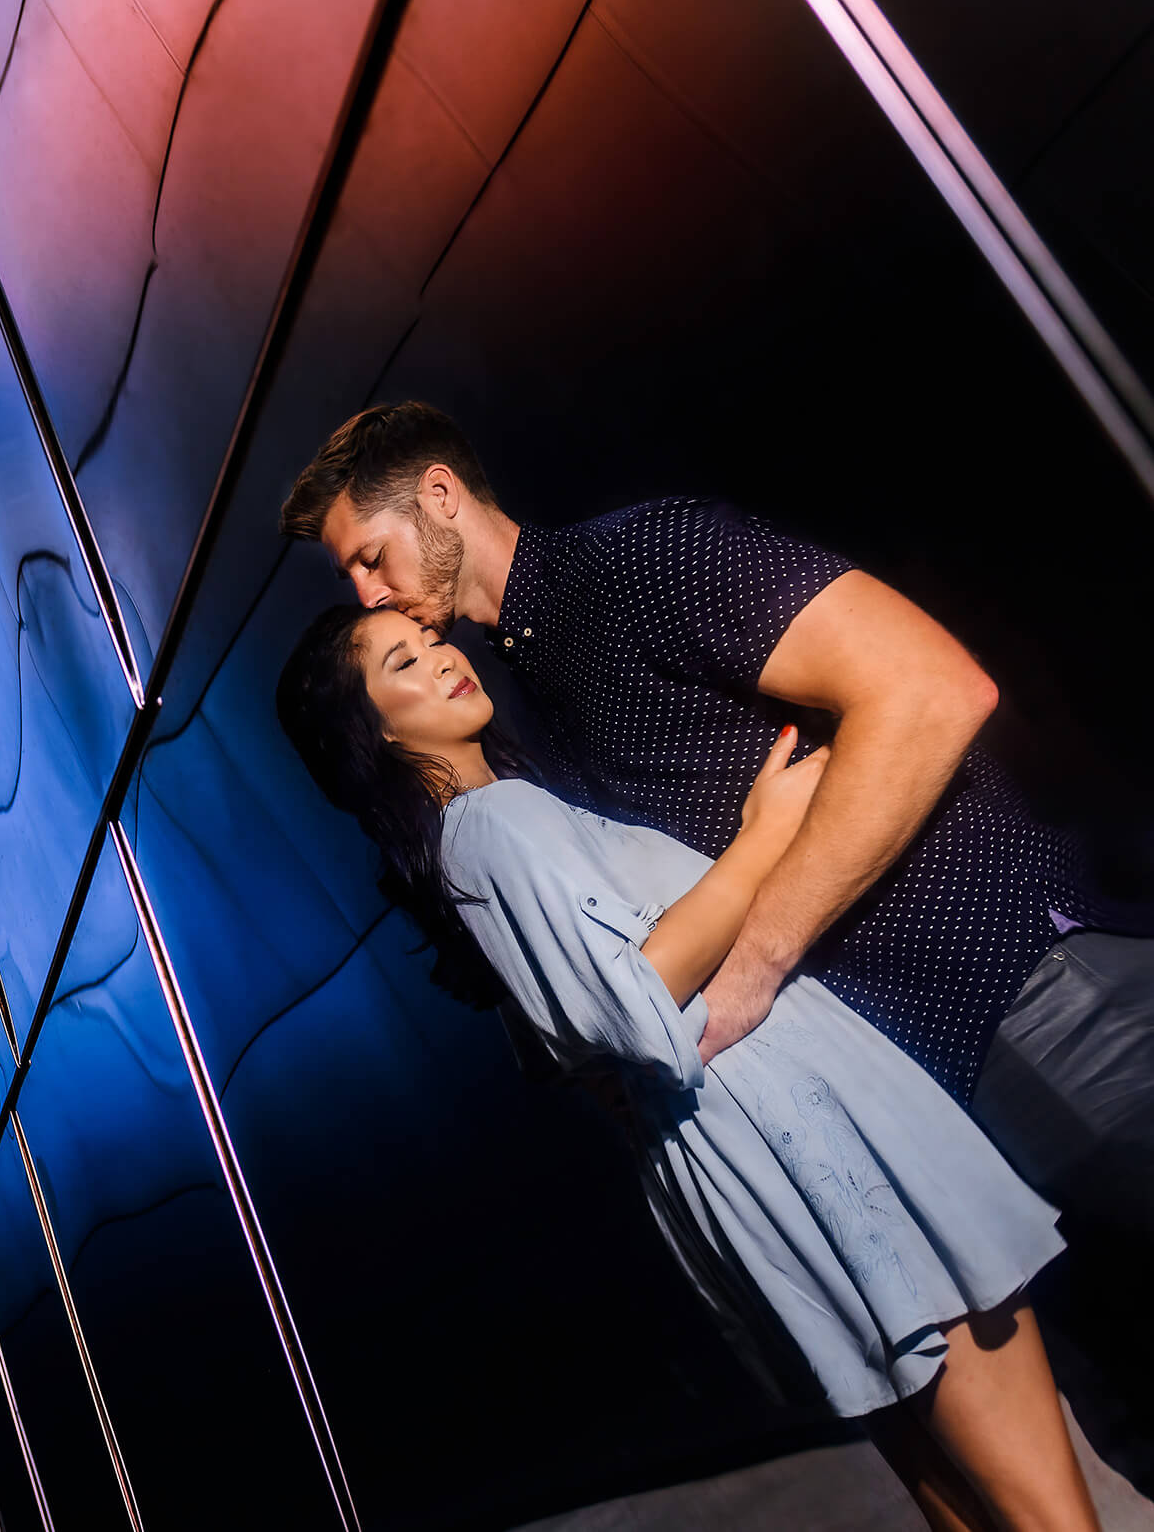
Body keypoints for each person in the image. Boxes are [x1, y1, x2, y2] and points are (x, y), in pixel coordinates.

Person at [277, 604, 1098, 1532]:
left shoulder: (471, 846)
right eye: (402, 663)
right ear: (376, 729)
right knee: (1047, 1511)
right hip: (798, 1129)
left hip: (748, 1146)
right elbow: (632, 1006)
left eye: (430, 642)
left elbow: (570, 1048)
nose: (440, 659)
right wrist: (764, 831)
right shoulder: (496, 822)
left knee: (968, 1503)